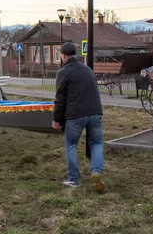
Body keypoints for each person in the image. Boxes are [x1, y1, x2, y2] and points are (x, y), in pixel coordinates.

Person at [52, 42, 105, 192]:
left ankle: (74, 179)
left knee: (71, 145)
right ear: (75, 54)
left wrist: (56, 119)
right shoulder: (88, 70)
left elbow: (60, 99)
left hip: (75, 115)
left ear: (63, 55)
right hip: (95, 112)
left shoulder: (63, 72)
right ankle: (96, 171)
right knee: (96, 143)